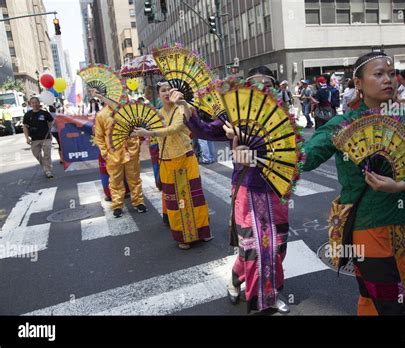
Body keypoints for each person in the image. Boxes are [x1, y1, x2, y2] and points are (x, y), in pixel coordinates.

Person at [303, 52, 405, 315]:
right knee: (385, 300)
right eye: (378, 74)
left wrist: (400, 186)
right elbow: (304, 159)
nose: (388, 80)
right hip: (366, 226)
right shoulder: (341, 125)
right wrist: (263, 148)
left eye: (391, 74)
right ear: (358, 83)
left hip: (403, 225)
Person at [182, 66, 291, 314]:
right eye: (256, 83)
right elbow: (205, 130)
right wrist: (186, 108)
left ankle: (251, 282)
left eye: (267, 84)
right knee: (253, 246)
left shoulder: (281, 115)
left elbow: (277, 152)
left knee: (276, 245)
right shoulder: (236, 115)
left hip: (275, 187)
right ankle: (263, 300)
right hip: (248, 187)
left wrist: (241, 134)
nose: (262, 88)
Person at [133, 80, 211, 250]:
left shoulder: (181, 109)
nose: (167, 93)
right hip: (167, 161)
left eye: (169, 89)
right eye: (163, 90)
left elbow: (175, 128)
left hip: (185, 157)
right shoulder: (156, 113)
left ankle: (202, 231)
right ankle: (183, 236)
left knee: (194, 197)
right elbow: (153, 137)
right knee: (175, 201)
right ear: (158, 95)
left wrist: (150, 132)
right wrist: (140, 133)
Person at [93, 90, 147, 218]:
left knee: (134, 178)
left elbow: (137, 129)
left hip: (131, 151)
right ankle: (117, 205)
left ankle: (138, 201)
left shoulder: (130, 111)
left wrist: (137, 144)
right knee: (115, 180)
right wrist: (104, 152)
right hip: (113, 153)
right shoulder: (102, 115)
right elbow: (99, 136)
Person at [23, 97, 55, 178]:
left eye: (36, 102)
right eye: (33, 103)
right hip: (34, 139)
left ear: (39, 103)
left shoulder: (44, 113)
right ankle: (45, 165)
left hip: (45, 138)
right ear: (30, 104)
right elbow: (25, 127)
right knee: (36, 154)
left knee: (47, 154)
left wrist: (50, 130)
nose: (35, 104)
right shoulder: (27, 115)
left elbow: (51, 122)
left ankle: (48, 170)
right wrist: (27, 138)